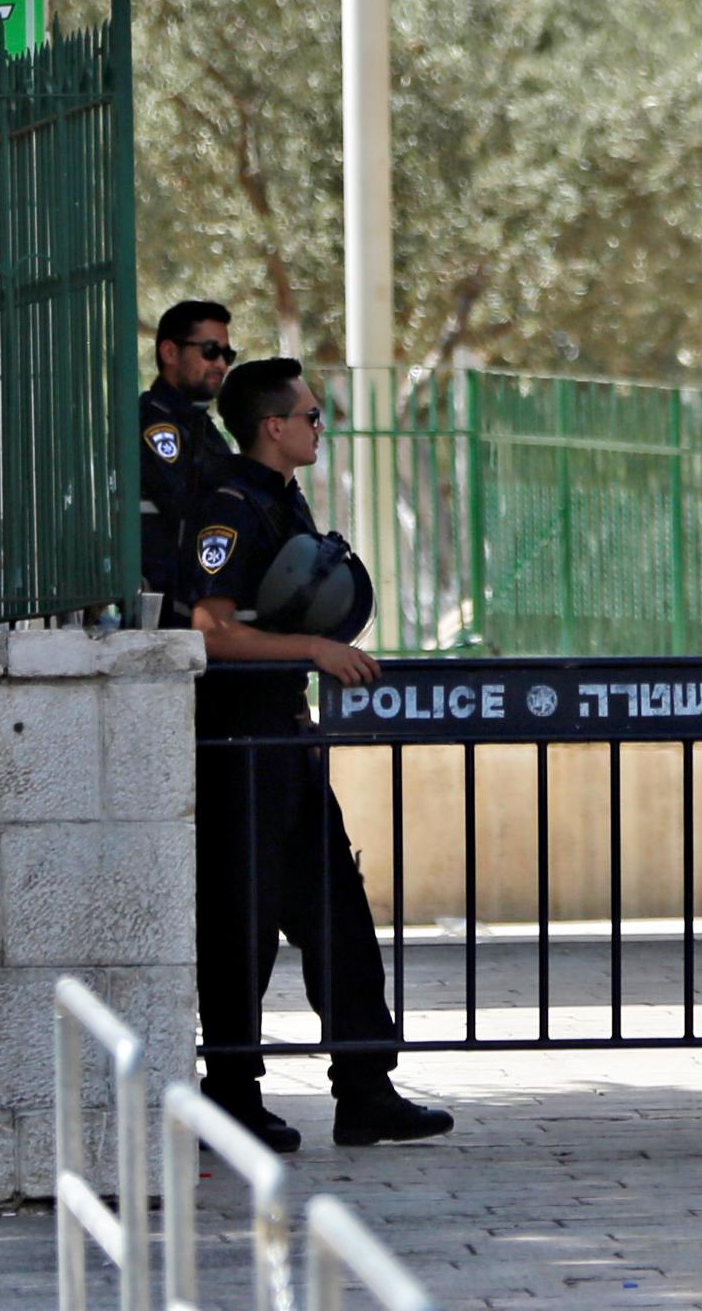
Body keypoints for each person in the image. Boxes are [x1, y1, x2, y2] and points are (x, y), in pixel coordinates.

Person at [182, 357, 452, 1150]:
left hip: (283, 739)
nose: (318, 426)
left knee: (335, 911)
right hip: (237, 745)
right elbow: (208, 626)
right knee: (243, 924)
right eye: (308, 416)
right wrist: (313, 649)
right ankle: (230, 1097)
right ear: (273, 427)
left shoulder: (281, 499)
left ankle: (365, 1088)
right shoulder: (230, 505)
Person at [140, 300, 237, 606]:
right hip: (167, 605)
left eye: (227, 354)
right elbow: (188, 501)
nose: (221, 364)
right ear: (170, 353)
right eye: (210, 351)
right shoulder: (155, 423)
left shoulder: (198, 425)